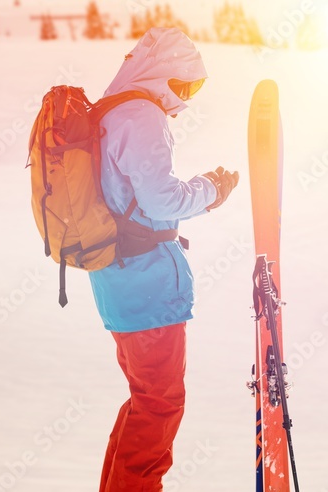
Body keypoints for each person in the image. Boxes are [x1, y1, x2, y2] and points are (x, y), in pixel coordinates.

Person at [90, 27, 238, 492]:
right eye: (184, 85)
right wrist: (212, 191)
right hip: (146, 285)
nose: (185, 99)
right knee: (160, 404)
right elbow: (161, 201)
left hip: (118, 282)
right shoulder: (141, 114)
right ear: (162, 74)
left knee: (145, 400)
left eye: (195, 90)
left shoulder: (111, 111)